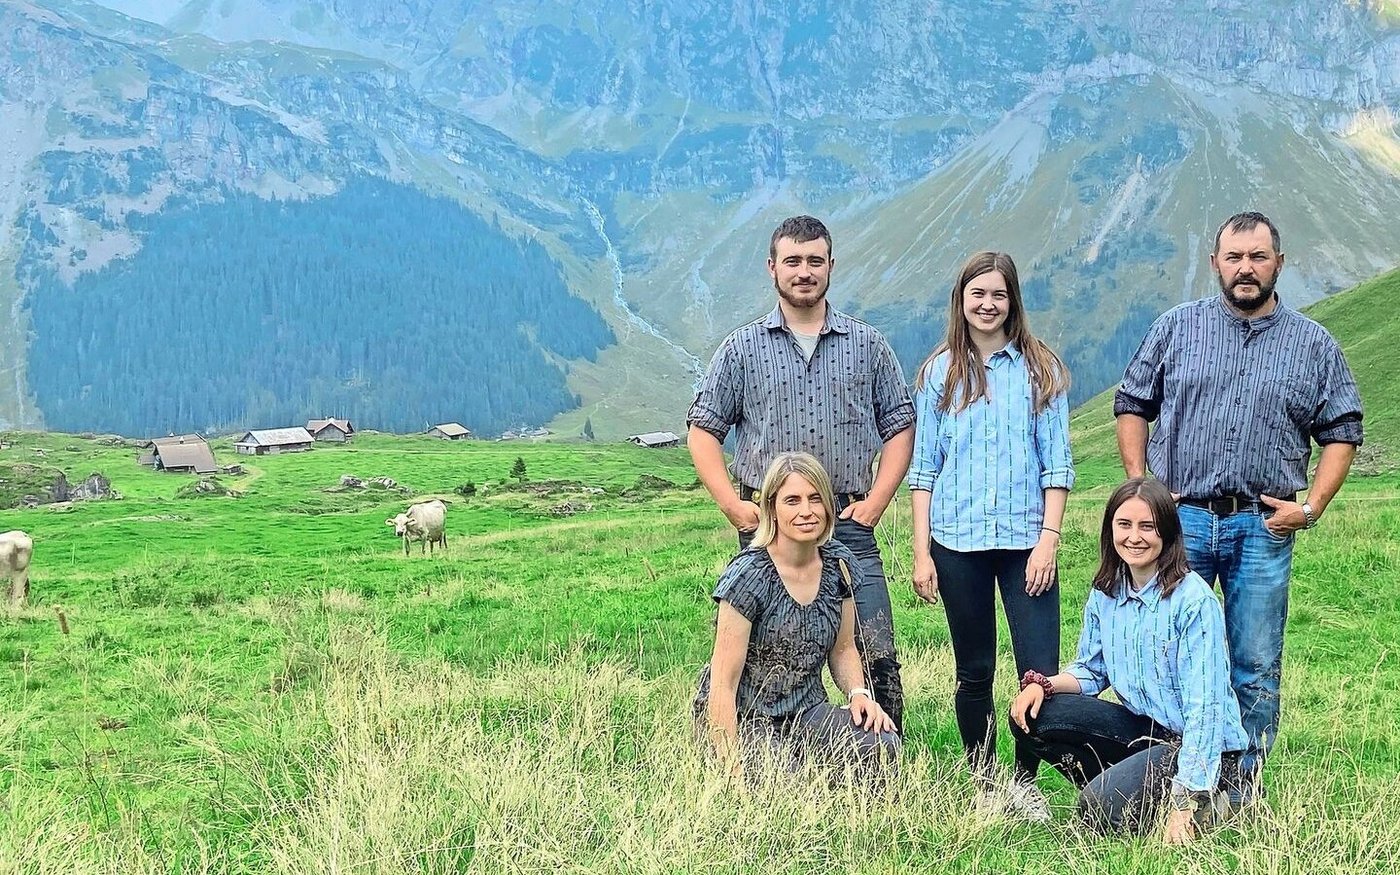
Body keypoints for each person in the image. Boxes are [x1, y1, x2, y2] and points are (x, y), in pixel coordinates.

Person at [1114, 211, 1364, 791]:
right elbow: (1132, 404)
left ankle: (1240, 787)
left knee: (1253, 662)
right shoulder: (1177, 328)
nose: (1245, 268)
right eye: (1234, 257)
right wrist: (1143, 488)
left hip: (1263, 526)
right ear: (1215, 264)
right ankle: (1161, 775)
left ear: (1279, 263)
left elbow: (1343, 430)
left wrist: (1311, 508)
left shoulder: (1313, 344)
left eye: (1257, 257)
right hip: (1181, 523)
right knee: (1167, 650)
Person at [687, 215, 915, 731]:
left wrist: (877, 501)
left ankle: (884, 757)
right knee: (765, 651)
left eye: (815, 260)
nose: (804, 271)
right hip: (769, 530)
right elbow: (703, 430)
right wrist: (731, 504)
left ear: (831, 265)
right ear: (772, 268)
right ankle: (754, 748)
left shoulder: (868, 345)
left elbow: (900, 426)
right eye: (792, 261)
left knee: (875, 648)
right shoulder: (741, 348)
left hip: (849, 523)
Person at [907, 251, 1074, 820]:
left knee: (1038, 671)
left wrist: (1049, 539)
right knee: (974, 670)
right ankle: (984, 781)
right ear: (961, 301)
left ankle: (1025, 783)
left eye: (998, 294)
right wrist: (922, 552)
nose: (987, 304)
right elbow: (924, 470)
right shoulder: (939, 374)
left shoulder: (1040, 370)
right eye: (977, 294)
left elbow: (1057, 465)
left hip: (1028, 543)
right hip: (957, 543)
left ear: (1012, 301)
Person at [1008, 477, 1248, 841]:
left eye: (1147, 526)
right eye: (1124, 524)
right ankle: (1131, 791)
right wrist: (1042, 685)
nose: (1134, 537)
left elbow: (1207, 708)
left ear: (1167, 532)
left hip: (1200, 747)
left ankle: (1214, 797)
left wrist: (1185, 800)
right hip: (1147, 732)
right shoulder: (1107, 591)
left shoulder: (1193, 602)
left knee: (1097, 810)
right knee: (1032, 716)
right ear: (1111, 530)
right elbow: (1091, 670)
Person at [695, 452, 900, 777]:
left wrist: (859, 694)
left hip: (806, 711)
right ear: (772, 509)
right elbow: (723, 684)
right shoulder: (747, 577)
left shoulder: (839, 565)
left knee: (881, 742)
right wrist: (731, 767)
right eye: (792, 500)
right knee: (787, 786)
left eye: (815, 499)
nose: (806, 511)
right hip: (748, 717)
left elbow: (844, 649)